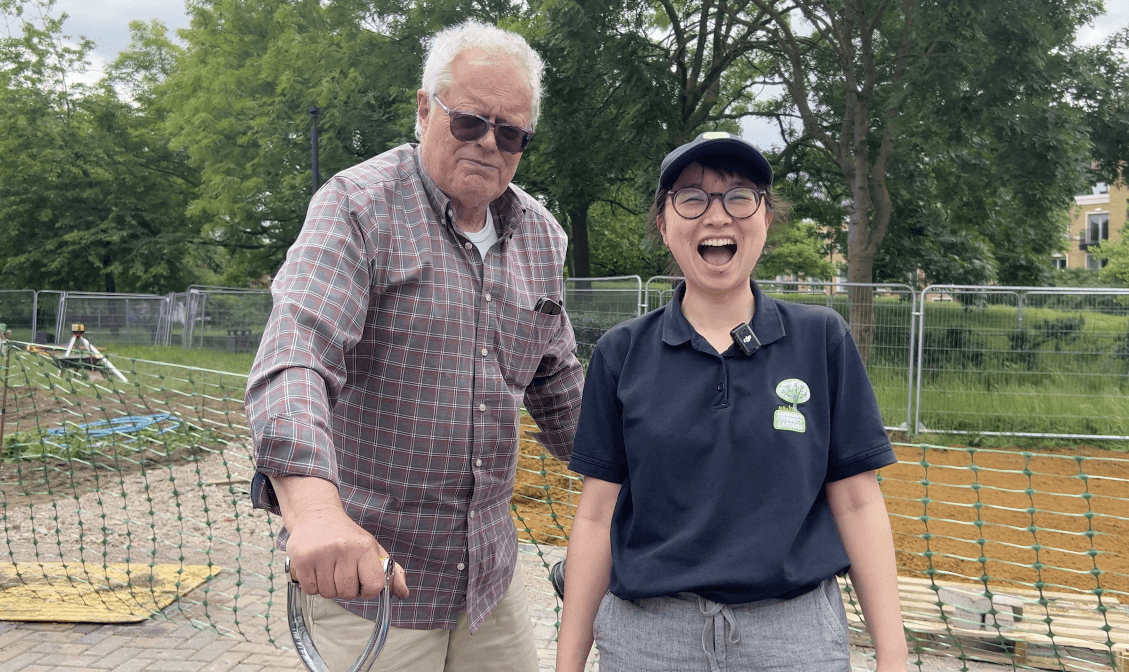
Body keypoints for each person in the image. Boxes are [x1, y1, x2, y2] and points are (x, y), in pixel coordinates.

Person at [245, 20, 583, 672]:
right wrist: (315, 515)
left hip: (489, 581)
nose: (490, 144)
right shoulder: (357, 208)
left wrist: (649, 485)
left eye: (510, 133)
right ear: (425, 108)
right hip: (371, 578)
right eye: (470, 122)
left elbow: (560, 386)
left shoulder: (542, 237)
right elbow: (296, 356)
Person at [554, 132, 907, 672]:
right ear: (663, 223)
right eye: (692, 198)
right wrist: (568, 662)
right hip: (650, 641)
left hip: (794, 641)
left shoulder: (822, 341)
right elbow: (596, 519)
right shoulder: (620, 353)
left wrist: (894, 655)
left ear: (766, 218)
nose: (717, 216)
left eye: (739, 196)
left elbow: (858, 502)